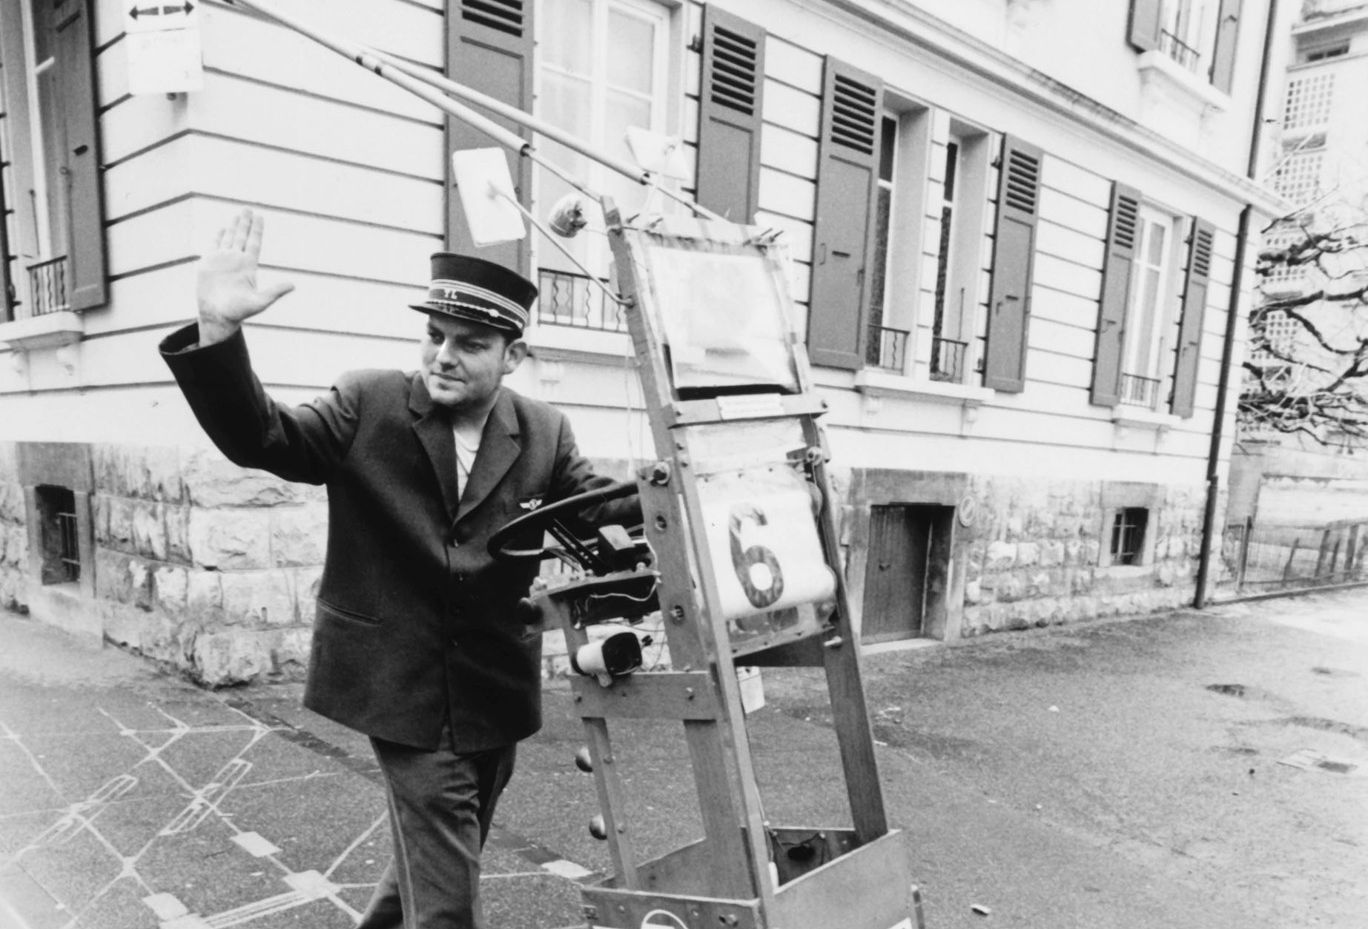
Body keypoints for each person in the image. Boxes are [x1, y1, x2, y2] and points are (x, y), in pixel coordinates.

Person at [160, 208, 636, 929]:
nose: (443, 356)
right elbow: (264, 436)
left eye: (469, 344)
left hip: (494, 691)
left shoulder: (544, 429)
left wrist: (693, 486)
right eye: (435, 336)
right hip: (400, 688)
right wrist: (218, 331)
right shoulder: (368, 401)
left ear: (512, 355)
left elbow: (598, 509)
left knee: (429, 865)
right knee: (446, 902)